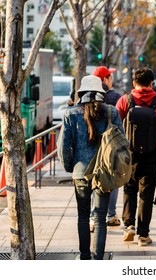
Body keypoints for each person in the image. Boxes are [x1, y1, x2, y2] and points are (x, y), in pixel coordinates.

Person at [57, 75, 124, 260]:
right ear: (101, 93)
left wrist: (70, 167)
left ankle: (85, 256)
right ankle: (98, 259)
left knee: (82, 217)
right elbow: (121, 142)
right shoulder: (112, 112)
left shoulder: (70, 114)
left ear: (81, 93)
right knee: (100, 218)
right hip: (105, 173)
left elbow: (64, 147)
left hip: (80, 173)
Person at [116, 67, 156, 246]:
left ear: (134, 82)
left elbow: (115, 126)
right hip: (152, 155)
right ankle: (143, 235)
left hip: (129, 154)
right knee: (146, 193)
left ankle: (129, 226)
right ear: (152, 84)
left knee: (129, 188)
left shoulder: (124, 100)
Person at [91, 66, 122, 229]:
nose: (111, 80)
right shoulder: (115, 97)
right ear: (104, 80)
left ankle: (93, 216)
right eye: (110, 77)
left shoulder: (86, 98)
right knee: (113, 179)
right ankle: (110, 215)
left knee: (93, 179)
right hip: (111, 147)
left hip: (92, 146)